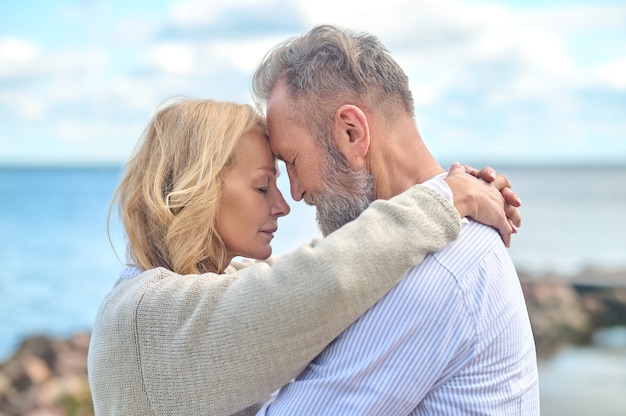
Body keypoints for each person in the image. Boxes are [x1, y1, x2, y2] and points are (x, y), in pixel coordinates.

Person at [87, 97, 520, 416]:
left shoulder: (188, 295)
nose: (283, 203)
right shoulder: (141, 317)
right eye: (262, 186)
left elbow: (304, 278)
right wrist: (441, 199)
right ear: (196, 190)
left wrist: (458, 192)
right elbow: (316, 283)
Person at [251, 25, 539, 415]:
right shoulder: (426, 244)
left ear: (352, 132)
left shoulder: (433, 272)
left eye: (293, 162)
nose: (297, 192)